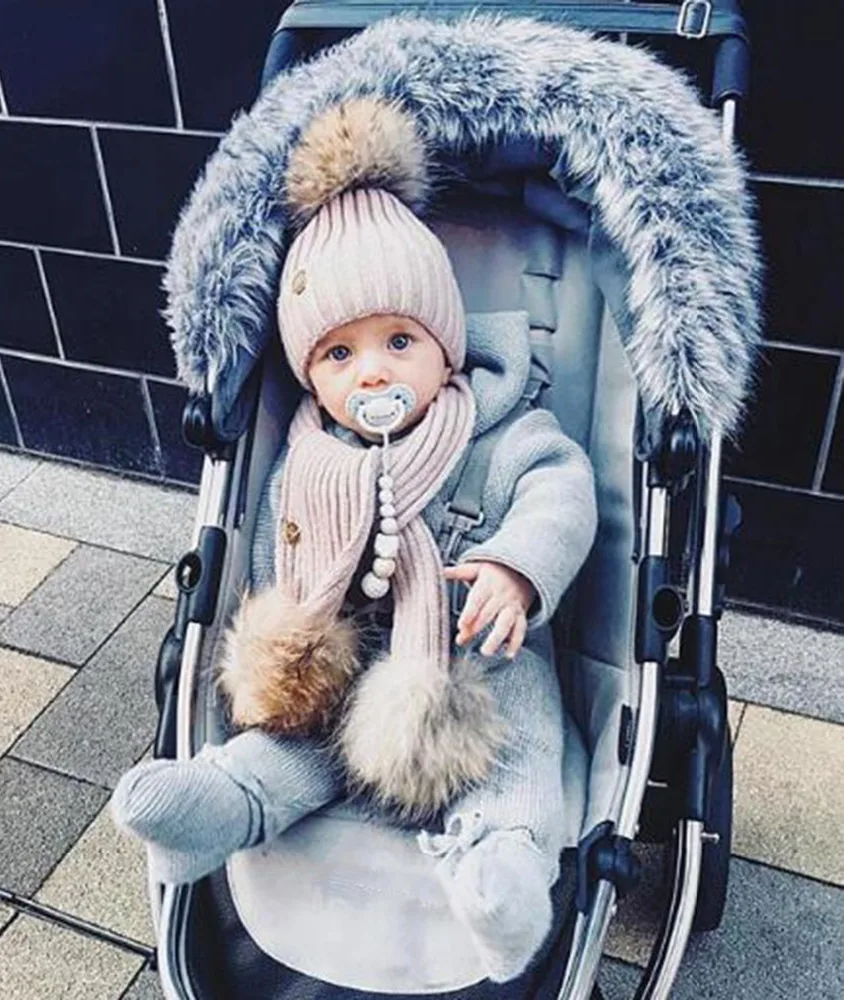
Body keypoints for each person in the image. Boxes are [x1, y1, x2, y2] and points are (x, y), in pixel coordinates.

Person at [112, 99, 597, 982]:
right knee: (296, 743)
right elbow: (277, 555)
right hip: (348, 662)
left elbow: (560, 493)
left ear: (445, 348)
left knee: (524, 739)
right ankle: (223, 802)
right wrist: (293, 635)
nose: (372, 370)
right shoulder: (309, 458)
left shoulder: (497, 428)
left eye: (399, 340)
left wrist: (517, 568)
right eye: (339, 356)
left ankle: (504, 866)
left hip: (478, 656)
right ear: (310, 376)